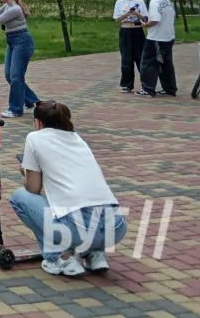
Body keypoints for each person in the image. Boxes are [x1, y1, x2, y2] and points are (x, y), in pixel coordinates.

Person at [10, 101, 126, 277]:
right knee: (80, 205)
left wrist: (26, 172)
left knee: (20, 197)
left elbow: (33, 188)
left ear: (38, 122)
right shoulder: (77, 138)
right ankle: (94, 254)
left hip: (76, 230)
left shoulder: (34, 138)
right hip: (116, 228)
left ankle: (59, 257)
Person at [137, 0, 178, 97]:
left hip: (156, 38)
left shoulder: (155, 2)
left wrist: (144, 24)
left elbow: (155, 20)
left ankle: (148, 88)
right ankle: (170, 88)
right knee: (166, 65)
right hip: (168, 37)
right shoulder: (168, 2)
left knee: (148, 64)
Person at [113, 0, 147, 93]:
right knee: (126, 58)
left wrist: (136, 13)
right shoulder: (119, 2)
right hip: (125, 30)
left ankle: (146, 84)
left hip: (137, 30)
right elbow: (117, 19)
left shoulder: (140, 2)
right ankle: (127, 84)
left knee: (140, 57)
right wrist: (127, 14)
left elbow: (145, 18)